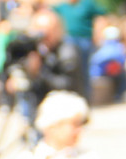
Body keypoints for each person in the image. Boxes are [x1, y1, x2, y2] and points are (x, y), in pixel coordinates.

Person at [8, 9, 84, 146]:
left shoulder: (67, 51)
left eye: (47, 31)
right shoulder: (35, 49)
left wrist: (39, 73)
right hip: (33, 105)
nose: (42, 35)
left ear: (57, 30)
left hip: (58, 111)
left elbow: (67, 85)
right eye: (38, 29)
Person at [53, 0, 106, 102]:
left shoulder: (87, 4)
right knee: (70, 72)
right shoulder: (63, 6)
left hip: (84, 40)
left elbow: (100, 17)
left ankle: (86, 99)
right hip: (68, 41)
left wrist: (98, 34)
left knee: (85, 72)